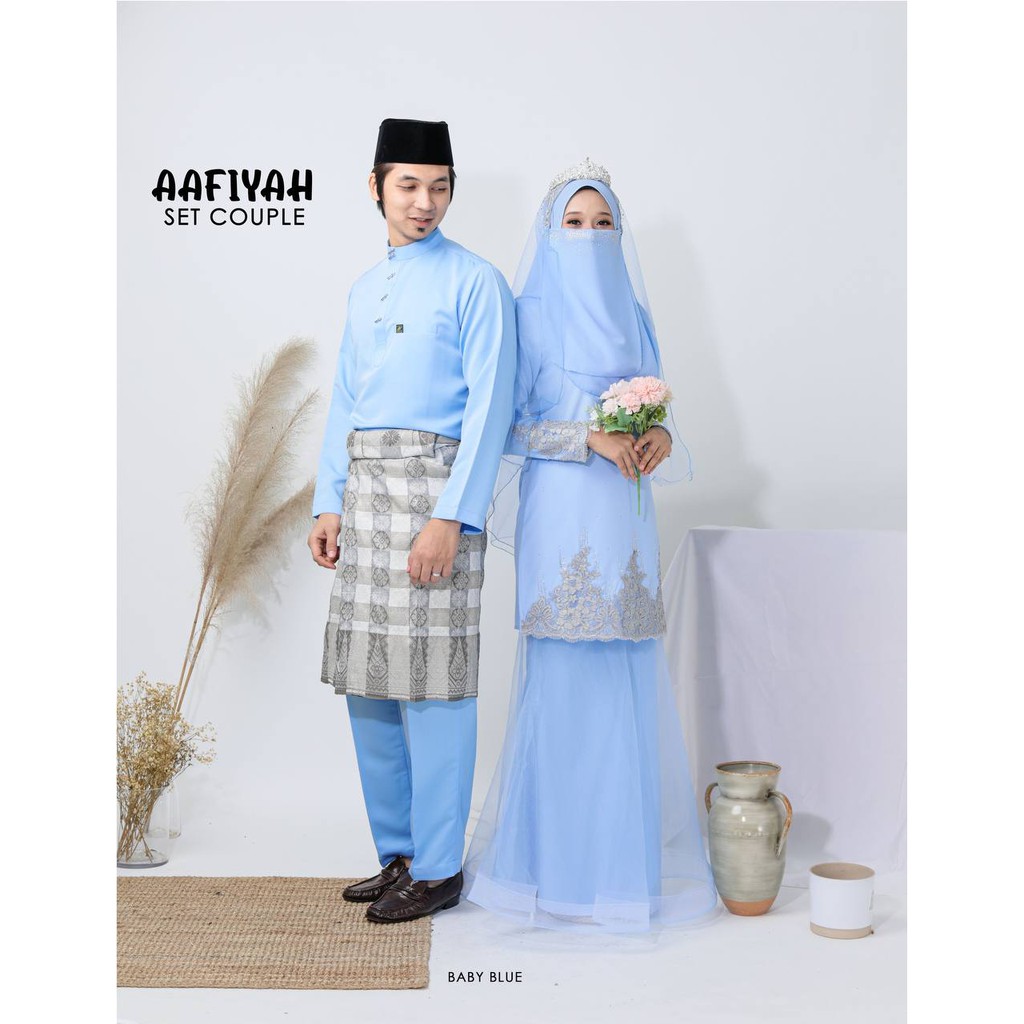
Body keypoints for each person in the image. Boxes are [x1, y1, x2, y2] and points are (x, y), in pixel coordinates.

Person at [463, 159, 718, 932]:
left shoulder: (631, 310)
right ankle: (555, 876)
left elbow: (656, 402)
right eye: (573, 224)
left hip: (624, 520)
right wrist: (589, 439)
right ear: (549, 232)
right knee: (566, 685)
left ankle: (618, 878)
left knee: (623, 690)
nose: (589, 236)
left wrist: (658, 436)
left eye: (603, 223)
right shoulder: (527, 313)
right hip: (563, 517)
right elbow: (504, 427)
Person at [309, 118, 516, 923]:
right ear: (376, 187)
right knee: (368, 685)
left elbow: (492, 408)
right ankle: (396, 855)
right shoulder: (365, 288)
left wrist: (451, 517)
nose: (424, 202)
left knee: (435, 686)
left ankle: (438, 868)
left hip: (436, 497)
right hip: (365, 497)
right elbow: (345, 401)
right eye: (408, 185)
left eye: (439, 187)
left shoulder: (477, 282)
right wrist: (329, 500)